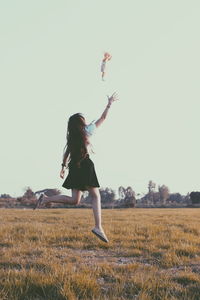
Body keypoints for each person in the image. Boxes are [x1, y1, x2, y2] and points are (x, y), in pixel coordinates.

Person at [34, 92, 118, 243]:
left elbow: (66, 152)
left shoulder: (71, 137)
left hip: (74, 167)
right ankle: (98, 226)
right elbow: (103, 118)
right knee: (95, 196)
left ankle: (46, 199)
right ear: (81, 124)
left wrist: (63, 166)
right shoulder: (87, 132)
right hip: (85, 165)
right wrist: (109, 104)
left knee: (75, 200)